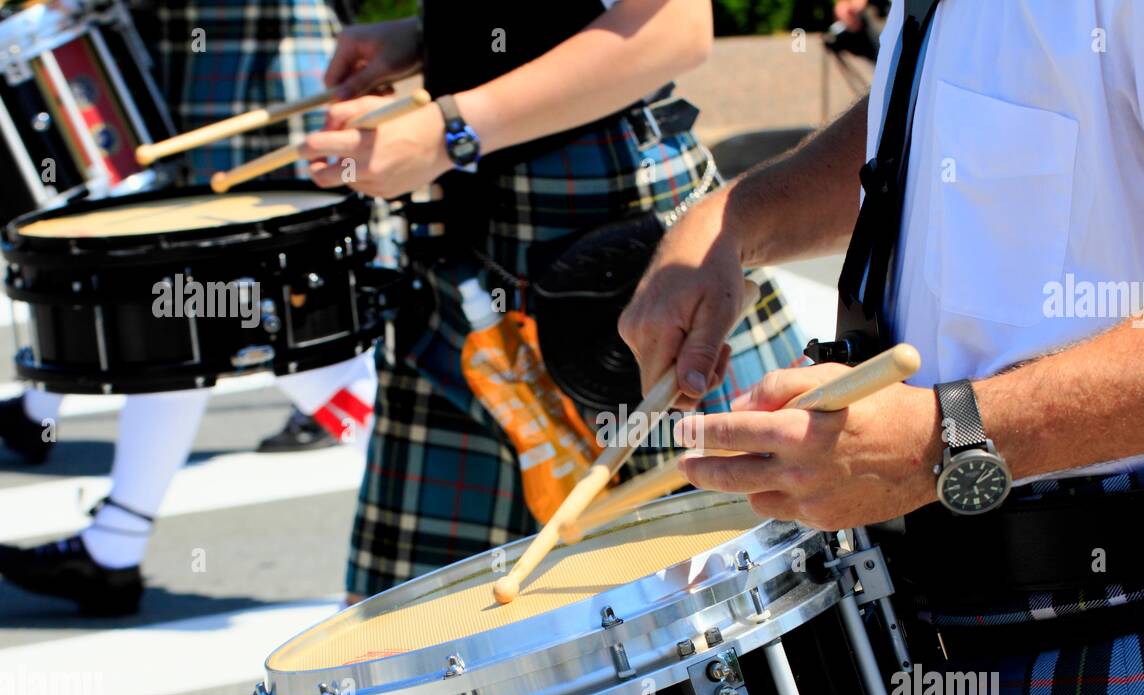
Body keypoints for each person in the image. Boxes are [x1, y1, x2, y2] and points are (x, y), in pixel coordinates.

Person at [619, 0, 1144, 695]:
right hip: (936, 651)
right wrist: (734, 219)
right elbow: (947, 107)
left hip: (1138, 681)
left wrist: (945, 440)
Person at [301, 1, 807, 601]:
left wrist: (449, 131)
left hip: (611, 255)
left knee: (713, 610)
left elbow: (675, 29)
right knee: (409, 628)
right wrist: (433, 36)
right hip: (466, 252)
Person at [0, 0, 376, 615]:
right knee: (181, 321)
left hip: (249, 81)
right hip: (201, 74)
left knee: (282, 333)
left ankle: (482, 496)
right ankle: (113, 547)